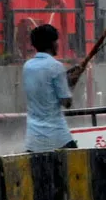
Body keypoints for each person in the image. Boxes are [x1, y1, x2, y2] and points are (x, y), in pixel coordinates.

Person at [24, 24, 79, 153]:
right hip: (58, 137)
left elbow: (44, 88)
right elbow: (67, 103)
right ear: (52, 43)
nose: (58, 44)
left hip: (34, 139)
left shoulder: (27, 66)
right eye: (56, 41)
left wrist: (65, 81)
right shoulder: (56, 66)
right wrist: (71, 84)